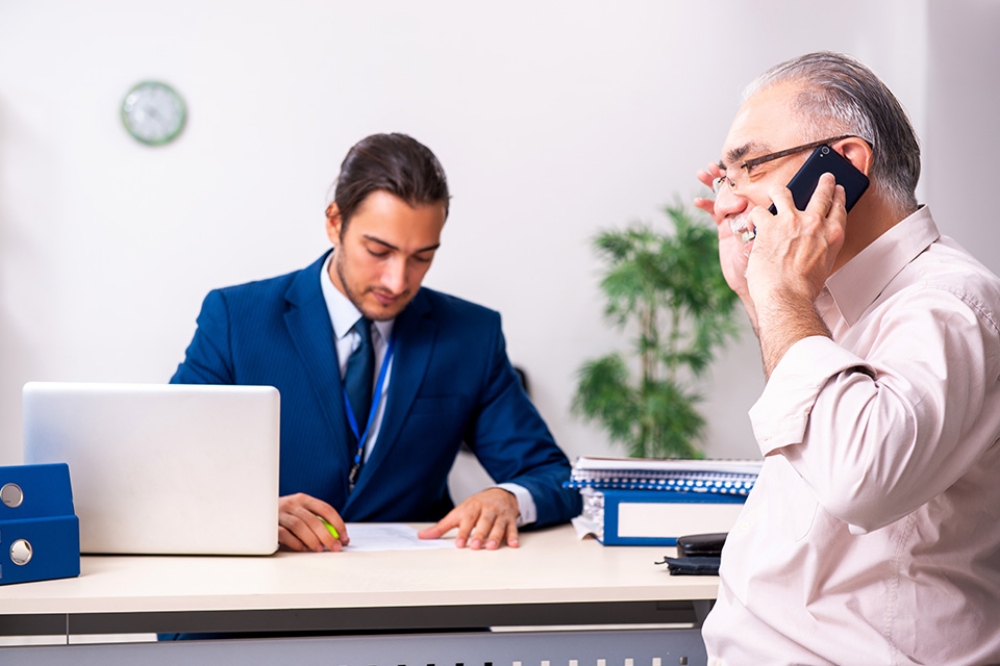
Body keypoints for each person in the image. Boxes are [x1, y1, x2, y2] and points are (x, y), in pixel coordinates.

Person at [693, 52, 1000, 664]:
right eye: (723, 180)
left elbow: (860, 479)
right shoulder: (837, 301)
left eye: (747, 167)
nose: (727, 203)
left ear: (842, 167)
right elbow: (815, 445)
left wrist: (780, 294)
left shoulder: (948, 305)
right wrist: (765, 301)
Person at [172, 132, 580, 554]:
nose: (398, 281)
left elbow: (556, 477)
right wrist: (251, 512)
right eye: (379, 251)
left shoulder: (471, 335)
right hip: (260, 589)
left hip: (406, 599)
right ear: (335, 223)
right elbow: (166, 460)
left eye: (422, 257)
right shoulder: (237, 318)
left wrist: (510, 498)